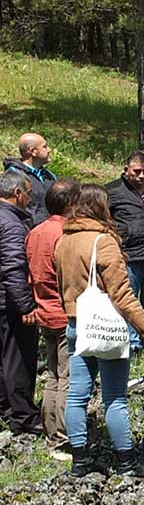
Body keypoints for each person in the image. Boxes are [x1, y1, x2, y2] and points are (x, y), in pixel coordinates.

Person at [54, 184, 144, 478]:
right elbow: (122, 294)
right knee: (114, 397)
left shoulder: (64, 241)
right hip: (104, 327)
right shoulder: (104, 242)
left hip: (74, 324)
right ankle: (126, 460)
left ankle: (80, 460)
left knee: (76, 395)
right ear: (101, 207)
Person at [26, 178, 77, 460]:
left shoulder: (35, 231)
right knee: (66, 377)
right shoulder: (64, 233)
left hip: (43, 310)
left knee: (53, 376)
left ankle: (50, 431)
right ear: (70, 204)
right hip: (63, 312)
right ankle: (61, 438)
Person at [105, 151, 144, 353]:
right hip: (128, 254)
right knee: (127, 298)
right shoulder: (112, 191)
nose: (141, 176)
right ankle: (132, 343)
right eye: (137, 171)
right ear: (126, 170)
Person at [0, 171, 41, 437]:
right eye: (28, 193)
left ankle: (5, 408)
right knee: (19, 360)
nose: (30, 199)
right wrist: (25, 306)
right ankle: (24, 416)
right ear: (17, 194)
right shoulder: (13, 225)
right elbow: (13, 267)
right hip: (10, 302)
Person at [3, 133, 55, 223]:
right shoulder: (14, 177)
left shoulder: (49, 176)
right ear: (33, 151)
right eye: (45, 147)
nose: (49, 150)